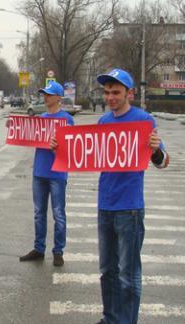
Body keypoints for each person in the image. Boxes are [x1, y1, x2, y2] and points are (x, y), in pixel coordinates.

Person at [88, 68, 168, 324]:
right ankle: (110, 318)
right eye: (108, 92)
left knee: (128, 274)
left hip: (129, 209)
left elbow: (163, 161)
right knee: (107, 271)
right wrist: (62, 147)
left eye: (116, 92)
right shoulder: (103, 122)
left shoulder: (144, 120)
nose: (110, 97)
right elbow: (88, 152)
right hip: (105, 205)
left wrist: (155, 150)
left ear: (129, 94)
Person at [18, 81, 74, 267]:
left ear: (59, 97)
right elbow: (30, 137)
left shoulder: (66, 119)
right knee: (38, 213)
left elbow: (71, 148)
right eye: (45, 94)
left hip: (57, 173)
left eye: (49, 94)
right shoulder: (41, 117)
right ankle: (39, 248)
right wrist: (18, 130)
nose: (46, 97)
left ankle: (58, 251)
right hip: (40, 172)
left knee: (58, 213)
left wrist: (57, 147)